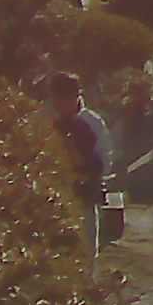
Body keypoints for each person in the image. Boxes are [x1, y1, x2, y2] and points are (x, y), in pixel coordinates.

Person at [50, 73, 116, 250]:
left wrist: (87, 171)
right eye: (59, 97)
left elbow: (105, 160)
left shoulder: (91, 122)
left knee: (86, 250)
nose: (63, 103)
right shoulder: (48, 122)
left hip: (84, 196)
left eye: (69, 97)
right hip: (52, 200)